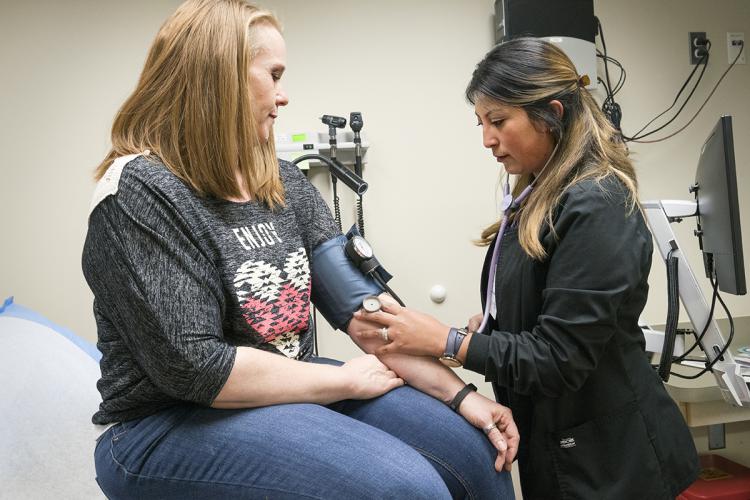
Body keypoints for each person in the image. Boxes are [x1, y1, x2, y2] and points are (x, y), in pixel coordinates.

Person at [82, 1, 518, 498]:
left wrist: (461, 396)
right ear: (219, 79)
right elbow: (198, 369)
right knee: (407, 489)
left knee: (477, 455)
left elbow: (369, 317)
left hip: (288, 391)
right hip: (163, 424)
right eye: (273, 74)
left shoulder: (281, 182)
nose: (284, 95)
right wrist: (343, 382)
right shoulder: (142, 191)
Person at [353, 37, 700, 499]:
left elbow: (560, 358)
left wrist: (450, 342)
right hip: (561, 444)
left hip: (614, 463)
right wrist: (494, 324)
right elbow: (542, 302)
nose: (487, 139)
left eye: (498, 121)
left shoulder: (597, 203)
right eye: (480, 122)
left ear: (552, 114)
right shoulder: (538, 196)